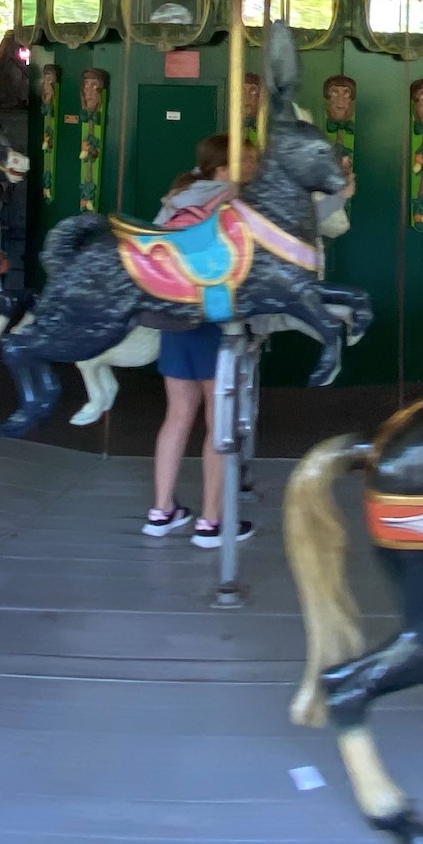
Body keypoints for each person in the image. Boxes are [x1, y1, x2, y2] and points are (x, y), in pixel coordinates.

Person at [144, 134, 253, 549]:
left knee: (177, 415)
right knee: (218, 421)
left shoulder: (176, 198)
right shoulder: (232, 200)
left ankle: (161, 510)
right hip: (215, 319)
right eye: (244, 162)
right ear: (224, 169)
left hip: (175, 316)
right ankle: (210, 521)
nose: (251, 169)